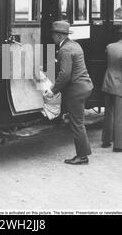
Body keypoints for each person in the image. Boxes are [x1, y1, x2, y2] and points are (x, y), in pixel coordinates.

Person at [45, 20, 93, 165]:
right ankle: (84, 153)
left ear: (59, 36)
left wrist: (52, 91)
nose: (52, 37)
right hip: (85, 86)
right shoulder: (74, 45)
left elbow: (65, 74)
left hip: (76, 90)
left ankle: (82, 156)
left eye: (53, 35)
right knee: (78, 121)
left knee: (77, 123)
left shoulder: (65, 50)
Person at [101, 29, 122, 152]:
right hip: (119, 86)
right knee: (120, 116)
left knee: (108, 113)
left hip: (107, 82)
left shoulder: (109, 47)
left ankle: (106, 140)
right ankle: (119, 145)